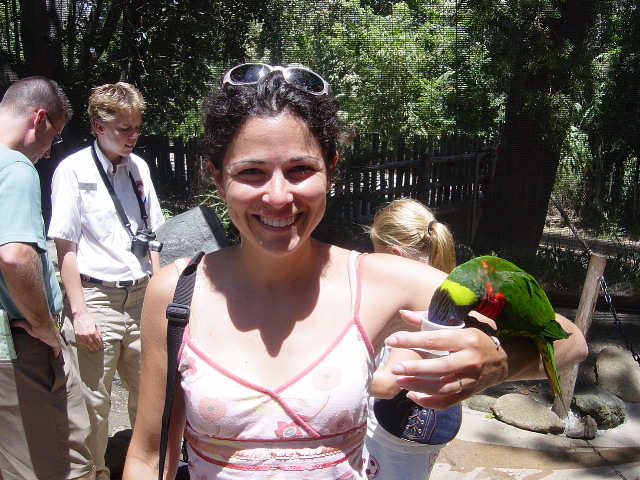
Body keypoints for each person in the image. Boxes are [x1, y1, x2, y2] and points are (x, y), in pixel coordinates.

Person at [122, 63, 588, 480]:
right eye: (252, 173)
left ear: (331, 169)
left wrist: (499, 361)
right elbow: (148, 455)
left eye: (301, 169)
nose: (279, 196)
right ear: (217, 176)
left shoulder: (379, 282)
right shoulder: (176, 293)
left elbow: (571, 341)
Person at [48, 82, 164, 480]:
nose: (133, 136)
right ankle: (95, 473)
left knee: (151, 394)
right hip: (96, 298)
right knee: (93, 403)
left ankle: (143, 469)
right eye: (124, 129)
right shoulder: (73, 170)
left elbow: (152, 236)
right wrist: (79, 312)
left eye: (136, 128)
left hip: (142, 297)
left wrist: (159, 291)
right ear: (99, 126)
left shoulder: (139, 168)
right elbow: (65, 247)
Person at [0, 76, 95, 479]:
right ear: (38, 119)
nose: (47, 151)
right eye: (52, 138)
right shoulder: (15, 167)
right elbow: (15, 257)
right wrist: (45, 326)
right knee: (57, 463)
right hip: (23, 349)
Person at [364, 198, 458, 479]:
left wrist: (319, 373)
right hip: (407, 428)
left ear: (395, 256)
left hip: (399, 430)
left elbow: (387, 384)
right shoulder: (444, 285)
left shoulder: (426, 306)